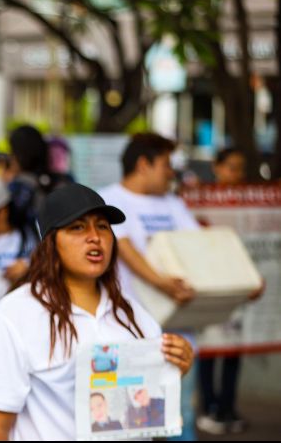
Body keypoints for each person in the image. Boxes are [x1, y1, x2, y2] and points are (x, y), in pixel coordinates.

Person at [0, 183, 194, 440]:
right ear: (50, 243)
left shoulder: (136, 317)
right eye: (77, 227)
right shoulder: (12, 319)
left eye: (102, 226)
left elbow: (151, 427)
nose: (94, 237)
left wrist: (170, 371)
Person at [98, 133, 200, 440]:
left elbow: (198, 245)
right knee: (128, 421)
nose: (171, 172)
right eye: (166, 164)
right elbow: (125, 249)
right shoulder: (110, 199)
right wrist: (164, 284)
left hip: (177, 329)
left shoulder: (172, 203)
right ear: (144, 164)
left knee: (181, 417)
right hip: (128, 330)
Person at [196, 147, 251, 436]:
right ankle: (209, 406)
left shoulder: (248, 203)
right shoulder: (200, 200)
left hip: (237, 284)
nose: (236, 174)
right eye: (231, 167)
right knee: (209, 349)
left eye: (240, 168)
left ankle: (228, 406)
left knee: (233, 349)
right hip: (209, 285)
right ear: (217, 167)